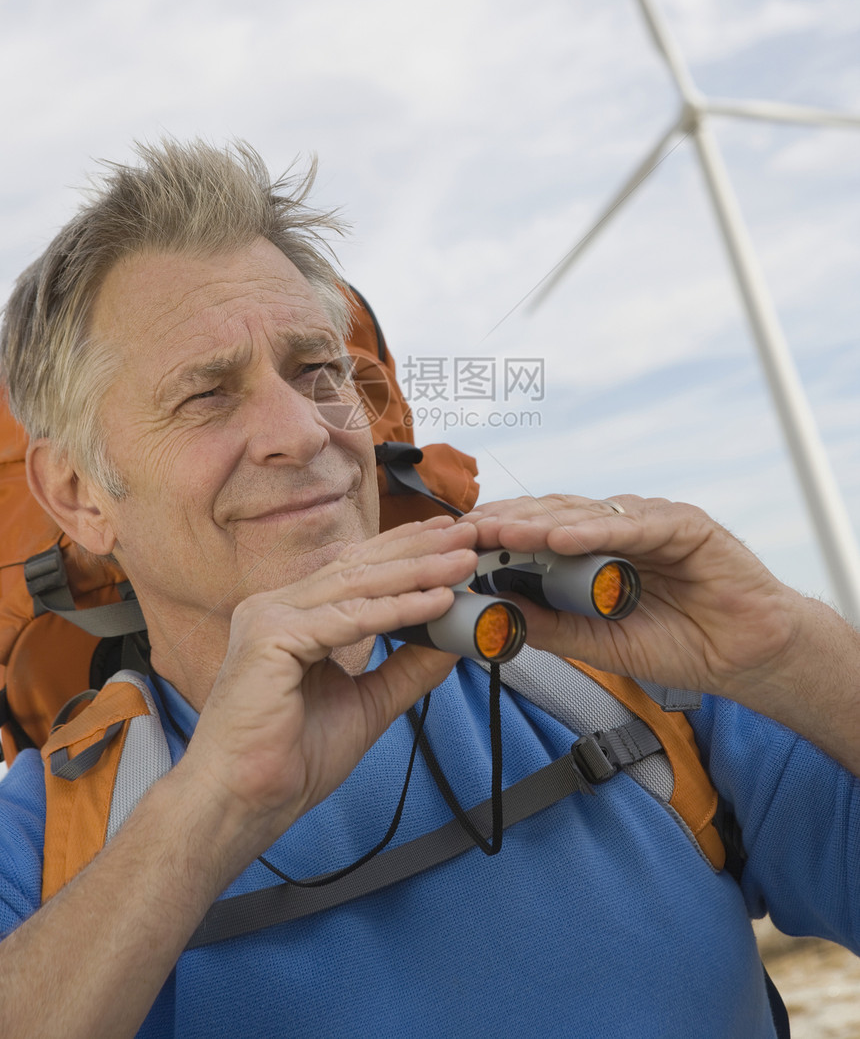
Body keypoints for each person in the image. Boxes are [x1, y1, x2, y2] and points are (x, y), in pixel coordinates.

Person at [0, 138, 857, 1039]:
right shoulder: (47, 845)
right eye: (206, 395)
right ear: (79, 496)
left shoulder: (628, 678)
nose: (304, 433)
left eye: (317, 371)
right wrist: (209, 812)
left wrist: (794, 650)